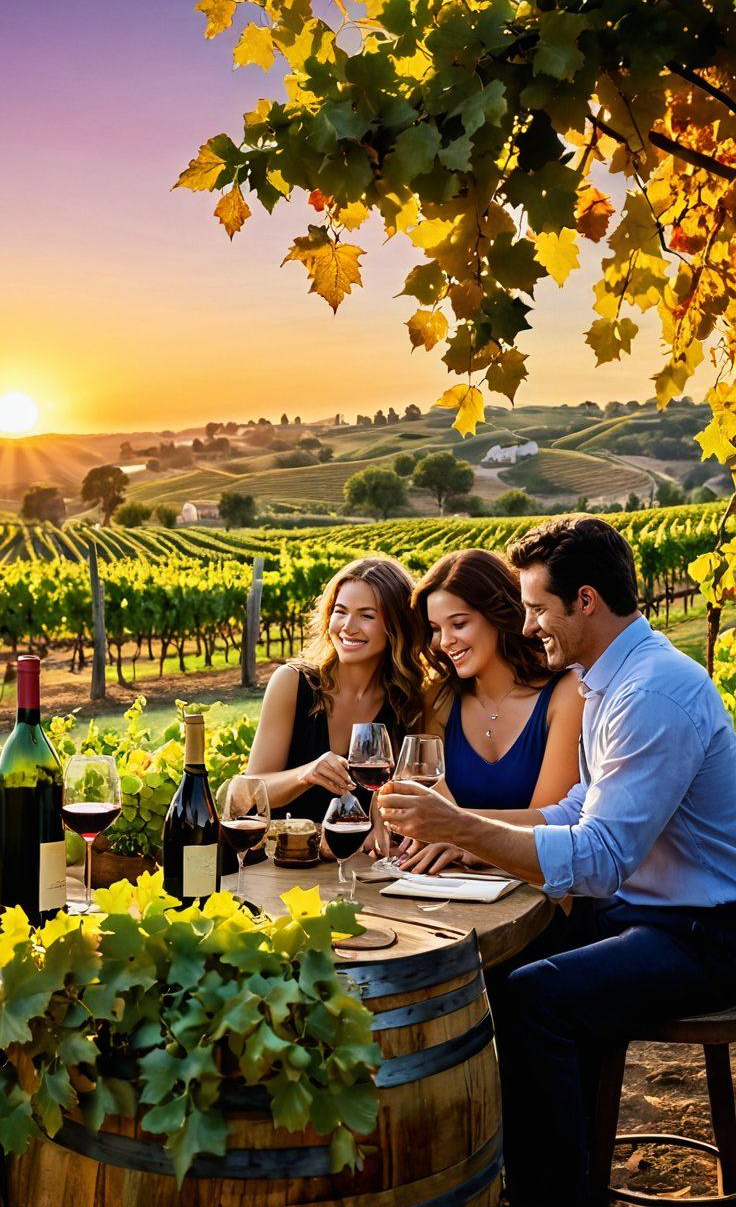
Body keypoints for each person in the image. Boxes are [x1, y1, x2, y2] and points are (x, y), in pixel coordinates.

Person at [377, 516, 736, 1207]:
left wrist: (465, 829)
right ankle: (532, 1160)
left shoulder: (651, 693)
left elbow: (600, 857)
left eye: (539, 607)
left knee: (536, 999)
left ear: (587, 601)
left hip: (709, 930)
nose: (531, 622)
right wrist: (464, 831)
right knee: (501, 962)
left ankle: (553, 1194)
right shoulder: (612, 675)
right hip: (655, 909)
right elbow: (578, 807)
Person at [399, 548, 582, 874]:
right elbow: (433, 816)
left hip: (539, 891)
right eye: (436, 629)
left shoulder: (565, 694)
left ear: (498, 615)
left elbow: (551, 822)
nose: (444, 642)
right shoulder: (440, 699)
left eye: (458, 624)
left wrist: (458, 833)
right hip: (456, 886)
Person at [246, 556, 424, 821]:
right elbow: (250, 791)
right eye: (340, 611)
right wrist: (305, 774)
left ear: (396, 626)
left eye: (366, 615)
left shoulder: (406, 700)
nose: (348, 627)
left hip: (358, 860)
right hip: (282, 855)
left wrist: (382, 819)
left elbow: (409, 796)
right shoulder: (293, 683)